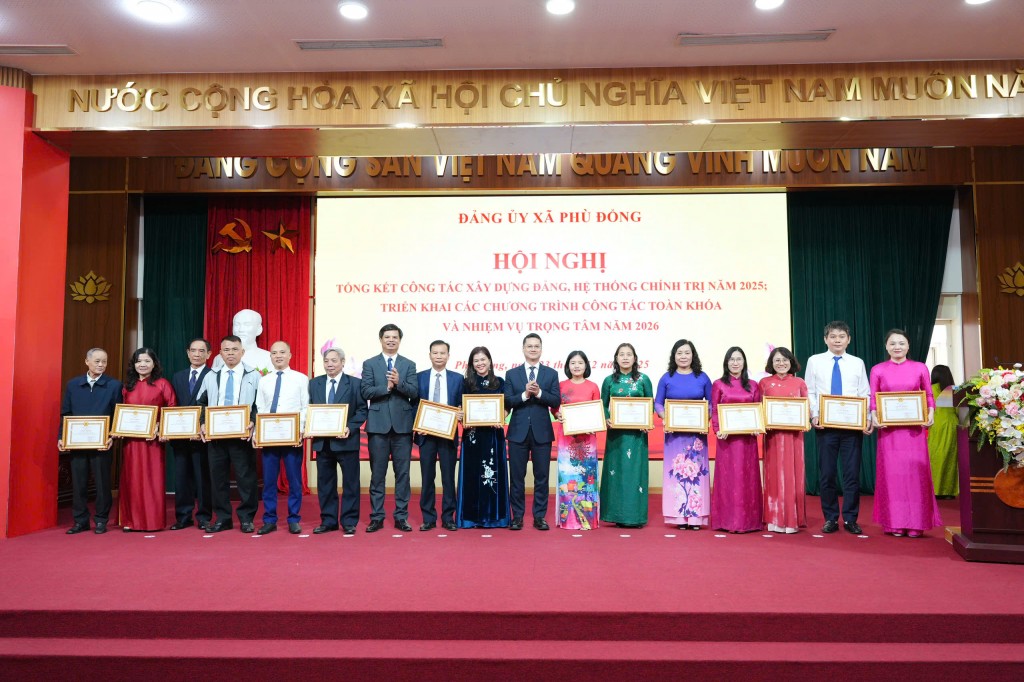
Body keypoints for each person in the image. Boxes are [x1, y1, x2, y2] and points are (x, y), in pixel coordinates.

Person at [870, 329, 942, 538]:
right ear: (886, 346)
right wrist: (874, 415)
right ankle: (894, 523)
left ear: (908, 345)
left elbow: (928, 395)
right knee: (892, 477)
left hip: (914, 432)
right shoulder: (878, 370)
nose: (897, 347)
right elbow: (874, 398)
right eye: (892, 343)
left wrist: (931, 413)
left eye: (901, 343)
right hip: (889, 433)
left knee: (915, 476)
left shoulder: (920, 368)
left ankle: (916, 523)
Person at [804, 320, 872, 535]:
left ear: (848, 340)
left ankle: (850, 518)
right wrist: (814, 414)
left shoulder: (857, 362)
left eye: (841, 336)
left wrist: (867, 418)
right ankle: (830, 518)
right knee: (827, 474)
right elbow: (809, 391)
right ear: (825, 339)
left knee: (852, 475)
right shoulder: (814, 361)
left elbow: (864, 393)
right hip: (826, 426)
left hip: (852, 427)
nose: (837, 340)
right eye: (833, 336)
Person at [196, 335, 261, 533]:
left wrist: (252, 420)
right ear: (220, 353)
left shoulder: (254, 375)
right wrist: (203, 423)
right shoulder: (211, 375)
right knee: (218, 479)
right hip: (216, 436)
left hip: (242, 435)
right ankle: (223, 518)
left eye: (234, 349)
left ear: (242, 352)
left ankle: (247, 518)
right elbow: (201, 403)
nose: (230, 353)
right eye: (226, 350)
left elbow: (259, 404)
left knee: (246, 478)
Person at [360, 323, 418, 533]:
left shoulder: (409, 364)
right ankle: (377, 517)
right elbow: (365, 391)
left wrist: (399, 383)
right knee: (378, 475)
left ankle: (401, 517)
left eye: (395, 337)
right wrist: (386, 387)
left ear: (399, 340)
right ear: (381, 339)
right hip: (378, 427)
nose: (391, 340)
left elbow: (414, 391)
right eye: (387, 337)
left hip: (402, 428)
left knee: (403, 474)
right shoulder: (370, 364)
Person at [58, 347, 120, 535]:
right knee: (79, 483)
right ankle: (80, 521)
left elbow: (117, 415)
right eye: (97, 361)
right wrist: (61, 436)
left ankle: (101, 520)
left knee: (102, 484)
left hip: (102, 444)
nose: (101, 365)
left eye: (104, 362)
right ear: (87, 362)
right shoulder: (73, 385)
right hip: (77, 443)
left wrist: (111, 436)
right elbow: (66, 413)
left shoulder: (114, 385)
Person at [503, 333, 561, 531]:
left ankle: (539, 517)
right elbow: (507, 401)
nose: (533, 349)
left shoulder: (551, 374)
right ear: (523, 349)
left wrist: (540, 393)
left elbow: (555, 400)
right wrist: (525, 394)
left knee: (542, 477)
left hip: (542, 432)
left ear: (541, 349)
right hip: (517, 432)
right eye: (530, 346)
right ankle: (517, 517)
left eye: (537, 346)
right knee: (516, 477)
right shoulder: (512, 374)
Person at [116, 347, 177, 532]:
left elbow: (172, 408)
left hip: (153, 442)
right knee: (132, 480)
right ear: (133, 364)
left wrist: (160, 426)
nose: (142, 364)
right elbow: (120, 412)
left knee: (152, 480)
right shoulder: (127, 386)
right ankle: (130, 521)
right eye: (139, 361)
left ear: (154, 364)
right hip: (131, 442)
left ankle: (152, 522)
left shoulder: (162, 384)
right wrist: (118, 428)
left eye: (147, 361)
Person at [654, 339, 713, 530]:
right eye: (679, 353)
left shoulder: (702, 377)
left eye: (687, 352)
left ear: (693, 355)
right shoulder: (667, 378)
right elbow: (658, 403)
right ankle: (678, 517)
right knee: (676, 475)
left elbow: (712, 403)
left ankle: (696, 518)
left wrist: (705, 418)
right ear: (674, 356)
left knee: (697, 475)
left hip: (696, 438)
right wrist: (666, 418)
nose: (683, 356)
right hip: (674, 437)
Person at [308, 347, 367, 535]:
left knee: (350, 483)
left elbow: (362, 411)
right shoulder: (314, 384)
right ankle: (328, 520)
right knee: (325, 484)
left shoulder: (355, 384)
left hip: (346, 441)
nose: (330, 364)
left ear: (342, 362)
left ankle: (349, 521)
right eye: (326, 361)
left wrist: (349, 427)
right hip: (323, 442)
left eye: (334, 361)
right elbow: (309, 410)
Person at [254, 341, 309, 535]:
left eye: (282, 352)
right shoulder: (264, 381)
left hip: (292, 437)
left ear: (290, 355)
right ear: (270, 356)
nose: (278, 356)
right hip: (269, 437)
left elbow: (305, 406)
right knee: (269, 481)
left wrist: (300, 430)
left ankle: (294, 519)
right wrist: (258, 432)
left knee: (294, 481)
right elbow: (260, 408)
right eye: (274, 353)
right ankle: (269, 520)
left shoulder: (301, 379)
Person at [599, 342, 654, 528]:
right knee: (616, 474)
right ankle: (615, 514)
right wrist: (607, 419)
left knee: (635, 474)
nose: (625, 357)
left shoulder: (643, 379)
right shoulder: (609, 380)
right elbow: (603, 405)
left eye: (629, 354)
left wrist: (647, 421)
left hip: (637, 437)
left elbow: (650, 404)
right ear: (616, 358)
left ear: (635, 358)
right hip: (616, 436)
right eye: (621, 354)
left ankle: (634, 517)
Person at [710, 346, 764, 533]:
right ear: (726, 363)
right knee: (728, 479)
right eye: (731, 359)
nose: (735, 363)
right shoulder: (718, 384)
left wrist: (758, 426)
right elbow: (715, 409)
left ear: (744, 362)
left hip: (748, 441)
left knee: (747, 479)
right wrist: (717, 429)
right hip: (727, 442)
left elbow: (758, 409)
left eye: (739, 359)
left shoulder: (754, 385)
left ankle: (749, 521)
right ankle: (726, 521)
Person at [457, 347, 510, 528]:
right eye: (476, 360)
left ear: (489, 361)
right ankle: (470, 518)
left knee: (492, 475)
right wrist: (462, 417)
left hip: (493, 436)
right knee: (472, 476)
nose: (480, 363)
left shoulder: (500, 382)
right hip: (472, 436)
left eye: (483, 359)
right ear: (472, 364)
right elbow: (459, 407)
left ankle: (495, 518)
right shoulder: (465, 383)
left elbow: (507, 406)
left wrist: (502, 416)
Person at [415, 340, 464, 532]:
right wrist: (417, 424)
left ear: (448, 356)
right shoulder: (419, 377)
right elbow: (414, 405)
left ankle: (448, 517)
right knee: (427, 477)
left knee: (448, 478)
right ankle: (428, 518)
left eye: (442, 353)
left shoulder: (457, 379)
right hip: (426, 434)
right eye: (435, 353)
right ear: (429, 355)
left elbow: (461, 404)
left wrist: (460, 413)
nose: (438, 356)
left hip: (448, 435)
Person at [759, 347, 808, 534]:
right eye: (777, 360)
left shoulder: (799, 382)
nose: (781, 363)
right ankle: (774, 519)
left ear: (791, 361)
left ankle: (792, 520)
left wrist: (805, 420)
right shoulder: (764, 383)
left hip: (794, 438)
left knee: (792, 475)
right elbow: (759, 409)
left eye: (785, 360)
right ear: (771, 363)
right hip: (773, 437)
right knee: (774, 476)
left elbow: (806, 409)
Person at [552, 350, 601, 530]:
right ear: (567, 366)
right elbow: (554, 408)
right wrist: (557, 414)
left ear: (586, 365)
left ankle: (588, 520)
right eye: (573, 363)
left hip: (587, 441)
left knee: (587, 478)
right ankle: (569, 520)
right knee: (568, 478)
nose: (577, 366)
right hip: (567, 440)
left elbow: (597, 411)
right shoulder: (561, 385)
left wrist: (594, 423)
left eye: (580, 363)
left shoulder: (593, 386)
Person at [168, 337, 213, 530]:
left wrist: (204, 425)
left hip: (203, 436)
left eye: (201, 351)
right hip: (181, 437)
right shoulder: (178, 376)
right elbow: (173, 404)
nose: (197, 354)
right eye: (193, 350)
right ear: (187, 353)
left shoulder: (213, 375)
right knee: (181, 478)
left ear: (209, 354)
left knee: (203, 479)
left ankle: (204, 516)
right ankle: (183, 517)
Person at [927, 364, 959, 499]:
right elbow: (962, 410)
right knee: (951, 458)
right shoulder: (954, 390)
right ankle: (949, 492)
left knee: (934, 457)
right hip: (952, 425)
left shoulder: (929, 389)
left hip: (935, 425)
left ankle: (933, 490)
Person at [211, 308, 273, 373]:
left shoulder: (268, 358)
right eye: (237, 325)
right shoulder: (219, 358)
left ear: (259, 329)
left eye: (247, 324)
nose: (240, 330)